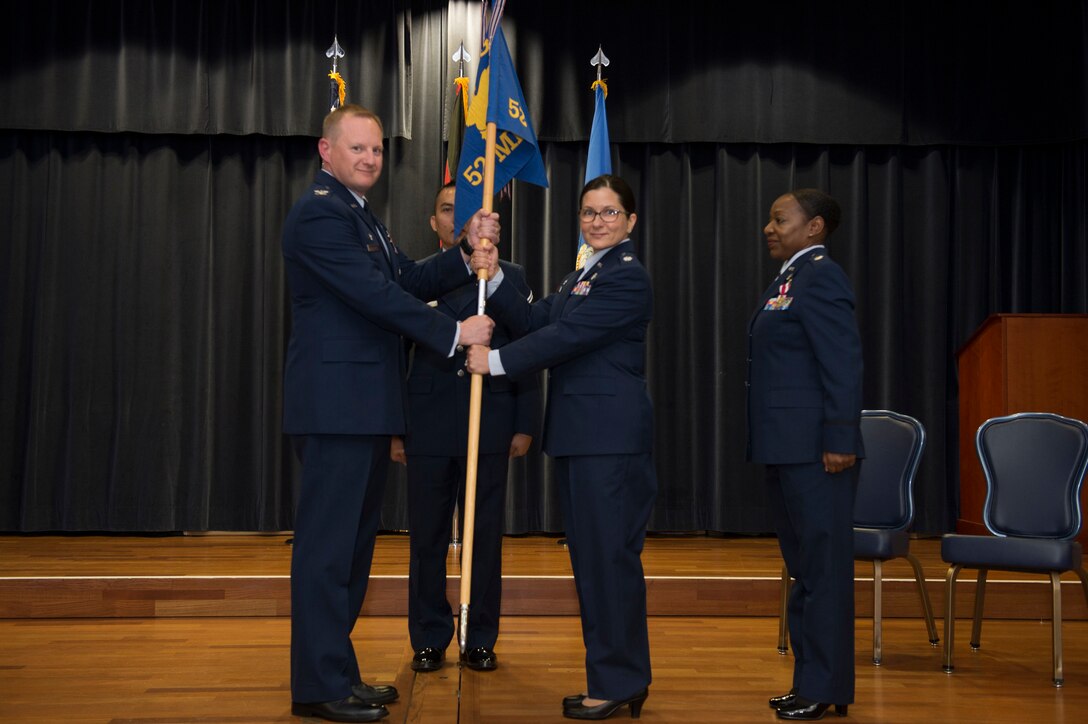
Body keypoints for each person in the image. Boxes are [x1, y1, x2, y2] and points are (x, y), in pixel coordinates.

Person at [281, 103, 499, 723]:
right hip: (335, 409)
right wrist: (455, 333)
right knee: (328, 552)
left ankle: (335, 674)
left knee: (350, 552)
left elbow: (404, 274)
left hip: (362, 408)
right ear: (327, 152)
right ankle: (318, 685)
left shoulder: (358, 215)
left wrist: (463, 250)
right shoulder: (321, 213)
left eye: (376, 149)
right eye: (357, 149)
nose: (370, 159)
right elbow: (376, 296)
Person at [466, 174, 656, 721]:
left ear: (631, 221)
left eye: (610, 212)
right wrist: (494, 270)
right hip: (583, 438)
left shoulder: (626, 278)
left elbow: (565, 339)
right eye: (589, 212)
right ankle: (616, 677)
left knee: (608, 562)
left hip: (609, 441)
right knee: (593, 564)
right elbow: (532, 319)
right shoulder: (583, 276)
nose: (598, 221)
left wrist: (496, 362)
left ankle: (619, 680)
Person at [390, 182, 541, 674]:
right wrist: (396, 426)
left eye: (471, 211)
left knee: (484, 536)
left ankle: (479, 636)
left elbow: (529, 352)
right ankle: (430, 636)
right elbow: (394, 356)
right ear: (435, 222)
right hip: (428, 423)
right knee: (428, 539)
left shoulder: (511, 276)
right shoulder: (415, 278)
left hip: (492, 421)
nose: (459, 218)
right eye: (448, 210)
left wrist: (523, 422)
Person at [747, 188, 864, 721]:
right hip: (788, 449)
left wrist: (840, 438)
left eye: (780, 219)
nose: (769, 227)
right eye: (770, 219)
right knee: (805, 571)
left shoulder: (821, 276)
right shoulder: (790, 278)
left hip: (818, 453)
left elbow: (842, 362)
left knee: (824, 572)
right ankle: (811, 682)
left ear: (814, 226)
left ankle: (825, 686)